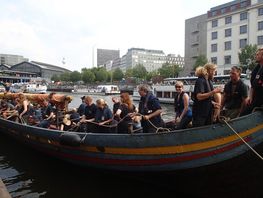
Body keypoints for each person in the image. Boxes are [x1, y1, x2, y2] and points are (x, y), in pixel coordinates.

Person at [241, 48, 263, 115]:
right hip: (255, 99)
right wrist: (250, 97)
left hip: (261, 100)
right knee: (244, 113)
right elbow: (252, 86)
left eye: (257, 54)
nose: (255, 56)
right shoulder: (256, 69)